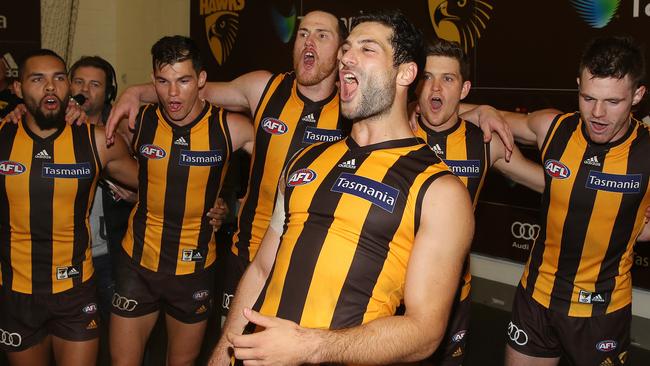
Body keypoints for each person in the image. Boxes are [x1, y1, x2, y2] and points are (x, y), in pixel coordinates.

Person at [208, 10, 475, 365]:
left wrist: (308, 346)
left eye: (367, 49)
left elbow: (424, 332)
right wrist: (224, 353)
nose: (346, 57)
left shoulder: (440, 192)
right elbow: (260, 270)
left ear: (406, 72)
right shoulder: (305, 160)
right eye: (346, 49)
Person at [106, 10, 352, 320]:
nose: (308, 42)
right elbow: (194, 89)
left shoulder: (353, 109)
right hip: (248, 252)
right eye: (303, 33)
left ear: (342, 51)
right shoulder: (264, 87)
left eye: (321, 35)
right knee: (231, 349)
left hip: (312, 260)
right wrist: (134, 92)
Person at [468, 36, 649, 366]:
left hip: (602, 311)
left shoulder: (647, 152)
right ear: (578, 86)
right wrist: (479, 109)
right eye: (588, 97)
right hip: (536, 297)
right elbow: (474, 118)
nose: (597, 113)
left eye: (612, 102)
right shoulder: (555, 127)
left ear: (637, 95)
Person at [108, 35, 253, 366]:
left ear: (201, 80)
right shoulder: (139, 121)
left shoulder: (231, 128)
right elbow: (93, 147)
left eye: (183, 80)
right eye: (163, 81)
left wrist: (232, 206)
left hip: (195, 267)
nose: (173, 94)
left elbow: (274, 166)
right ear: (153, 81)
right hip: (138, 263)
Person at [411, 39, 545, 365]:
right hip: (392, 290)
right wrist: (482, 110)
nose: (435, 88)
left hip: (455, 293)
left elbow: (548, 183)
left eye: (448, 78)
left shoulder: (485, 143)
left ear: (465, 87)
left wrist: (633, 196)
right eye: (427, 77)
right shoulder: (397, 131)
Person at [0, 49, 137, 366]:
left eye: (58, 78)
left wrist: (215, 202)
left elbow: (156, 184)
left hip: (76, 291)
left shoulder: (97, 141)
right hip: (16, 293)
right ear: (19, 89)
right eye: (38, 79)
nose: (50, 88)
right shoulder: (4, 137)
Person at [68, 56, 137, 323]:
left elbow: (156, 183)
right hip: (69, 256)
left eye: (94, 84)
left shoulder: (125, 128)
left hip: (113, 253)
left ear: (109, 92)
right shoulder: (56, 124)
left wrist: (137, 196)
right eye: (78, 82)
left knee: (124, 335)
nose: (84, 90)